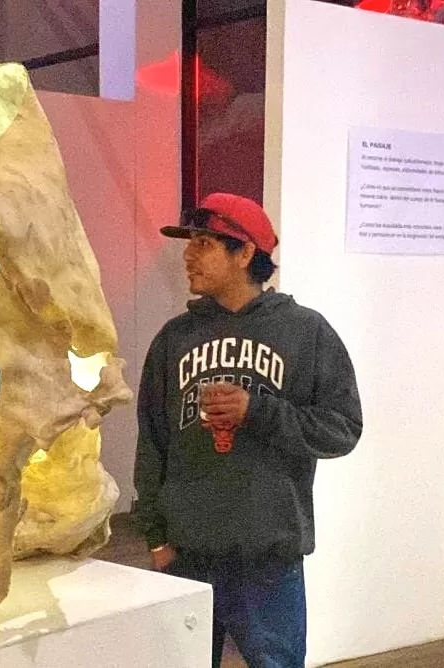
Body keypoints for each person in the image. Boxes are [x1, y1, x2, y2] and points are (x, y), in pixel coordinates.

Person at [133, 192, 363, 667]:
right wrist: (155, 537)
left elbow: (342, 429)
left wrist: (257, 411)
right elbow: (151, 443)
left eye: (204, 243)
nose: (188, 254)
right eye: (190, 242)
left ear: (245, 253)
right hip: (187, 553)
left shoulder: (306, 332)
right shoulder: (174, 338)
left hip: (268, 557)